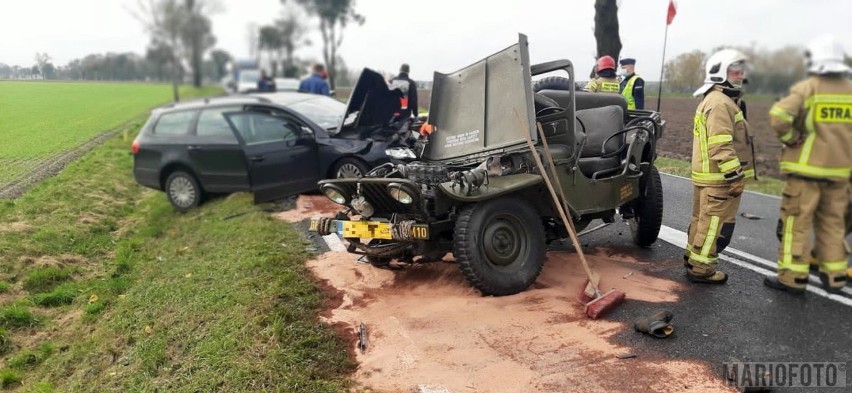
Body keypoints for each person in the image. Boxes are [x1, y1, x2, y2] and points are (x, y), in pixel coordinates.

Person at [764, 35, 852, 294]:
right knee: (833, 224)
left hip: (806, 171)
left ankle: (792, 278)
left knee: (796, 223)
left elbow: (778, 117)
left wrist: (792, 139)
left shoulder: (809, 88)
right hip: (839, 172)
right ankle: (835, 276)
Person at [684, 49, 756, 284]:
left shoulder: (716, 99)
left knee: (701, 220)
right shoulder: (721, 103)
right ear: (719, 72)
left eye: (741, 70)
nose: (740, 75)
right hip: (719, 178)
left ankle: (693, 258)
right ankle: (702, 269)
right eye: (734, 70)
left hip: (709, 175)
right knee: (713, 224)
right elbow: (720, 144)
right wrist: (735, 176)